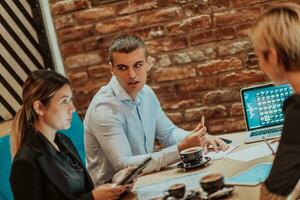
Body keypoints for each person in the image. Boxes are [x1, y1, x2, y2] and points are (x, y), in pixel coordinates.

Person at [84, 34, 229, 185]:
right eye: (122, 68)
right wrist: (181, 149)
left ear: (148, 64)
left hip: (145, 180)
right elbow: (123, 165)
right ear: (112, 69)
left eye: (138, 65)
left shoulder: (146, 93)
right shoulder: (104, 109)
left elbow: (168, 134)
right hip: (115, 192)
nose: (132, 75)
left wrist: (198, 138)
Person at [10, 69, 133, 200]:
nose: (72, 108)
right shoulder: (25, 163)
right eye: (64, 101)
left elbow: (82, 194)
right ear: (39, 108)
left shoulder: (63, 142)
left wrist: (115, 185)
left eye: (70, 99)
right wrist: (92, 198)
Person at [250, 3, 300, 200]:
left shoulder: (298, 111)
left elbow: (273, 194)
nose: (260, 65)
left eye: (258, 56)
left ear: (272, 55)